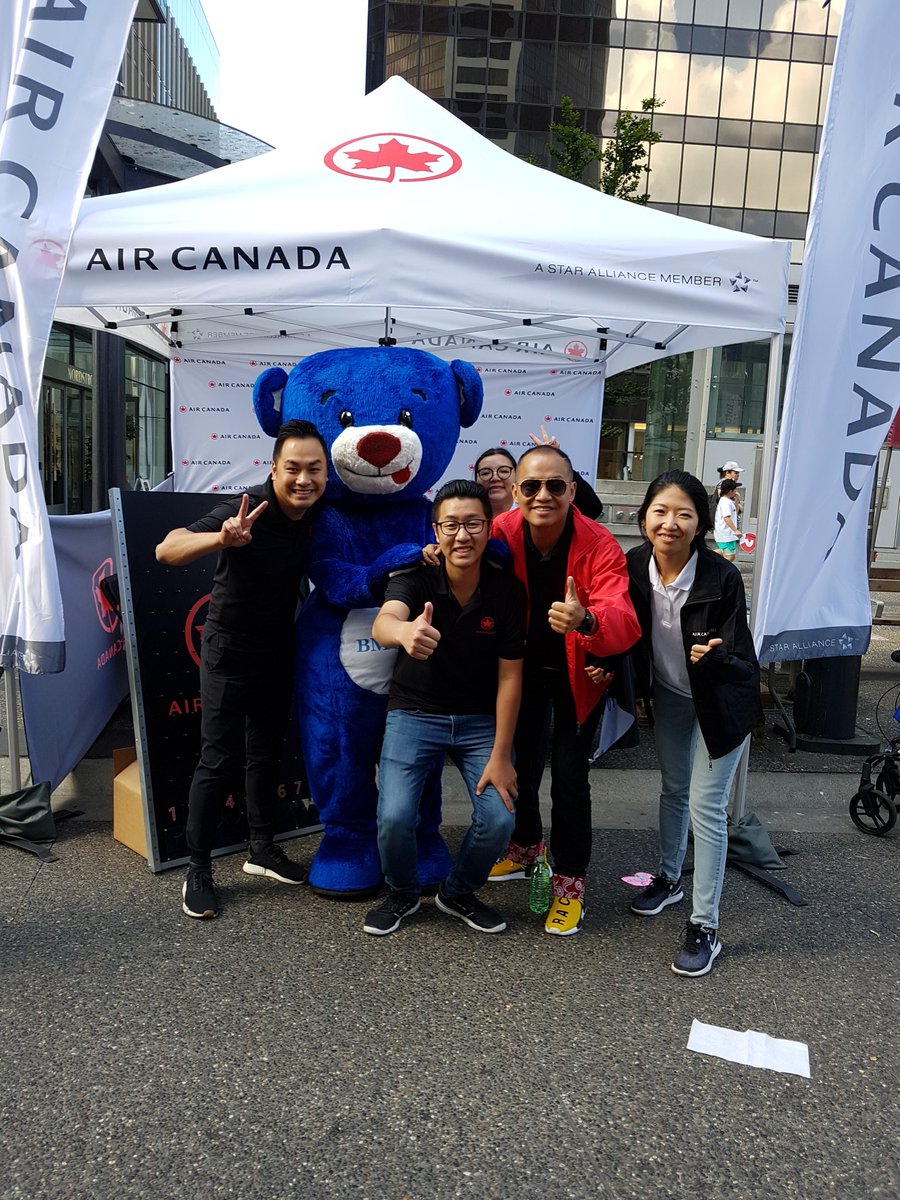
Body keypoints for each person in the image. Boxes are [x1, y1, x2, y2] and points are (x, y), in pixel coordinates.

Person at [156, 418, 328, 919]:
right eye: (292, 468)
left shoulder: (318, 513)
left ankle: (261, 849)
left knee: (266, 755)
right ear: (274, 470)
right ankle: (199, 867)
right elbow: (167, 548)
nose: (303, 480)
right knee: (219, 760)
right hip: (229, 652)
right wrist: (222, 540)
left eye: (313, 470)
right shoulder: (245, 507)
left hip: (280, 650)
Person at [488, 445, 640, 936]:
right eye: (531, 486)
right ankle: (527, 847)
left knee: (571, 781)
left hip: (579, 677)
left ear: (574, 491)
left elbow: (622, 614)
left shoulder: (599, 543)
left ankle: (570, 885)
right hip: (520, 673)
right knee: (523, 768)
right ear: (514, 492)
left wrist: (587, 618)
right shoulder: (501, 533)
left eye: (556, 485)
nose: (543, 495)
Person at [363, 479, 525, 936]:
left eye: (473, 523)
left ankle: (457, 892)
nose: (462, 535)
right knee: (395, 815)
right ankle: (402, 892)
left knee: (498, 818)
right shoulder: (414, 575)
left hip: (480, 721)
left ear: (489, 528)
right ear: (436, 530)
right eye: (451, 524)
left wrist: (501, 753)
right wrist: (404, 634)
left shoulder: (506, 591)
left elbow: (511, 675)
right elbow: (383, 621)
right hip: (414, 712)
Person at [622, 470, 761, 977]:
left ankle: (705, 926)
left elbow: (744, 660)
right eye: (660, 512)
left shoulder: (721, 578)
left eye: (683, 513)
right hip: (672, 697)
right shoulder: (634, 565)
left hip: (721, 703)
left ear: (700, 521)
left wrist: (717, 657)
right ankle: (667, 877)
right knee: (673, 789)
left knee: (706, 804)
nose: (670, 523)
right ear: (644, 518)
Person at [474, 433, 604, 521]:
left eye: (503, 471)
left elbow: (591, 510)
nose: (495, 478)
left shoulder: (537, 509)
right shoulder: (470, 515)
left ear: (518, 478)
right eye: (485, 473)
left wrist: (551, 459)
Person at [713, 477, 741, 561]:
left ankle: (708, 557)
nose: (736, 492)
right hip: (726, 534)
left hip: (726, 534)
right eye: (734, 490)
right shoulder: (725, 502)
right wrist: (735, 530)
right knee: (729, 557)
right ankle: (707, 556)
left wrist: (737, 501)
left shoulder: (727, 501)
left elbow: (734, 513)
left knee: (727, 554)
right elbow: (727, 517)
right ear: (730, 491)